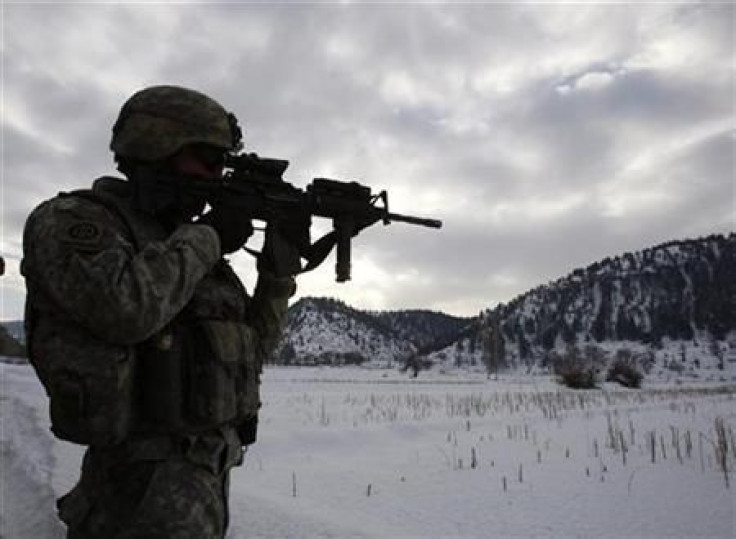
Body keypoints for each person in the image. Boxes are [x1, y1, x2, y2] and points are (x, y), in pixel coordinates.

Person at [21, 85, 314, 538]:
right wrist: (210, 235)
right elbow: (126, 309)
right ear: (157, 145)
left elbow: (248, 355)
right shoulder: (73, 220)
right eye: (209, 160)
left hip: (205, 488)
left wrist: (277, 274)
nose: (218, 177)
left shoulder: (187, 248)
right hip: (134, 500)